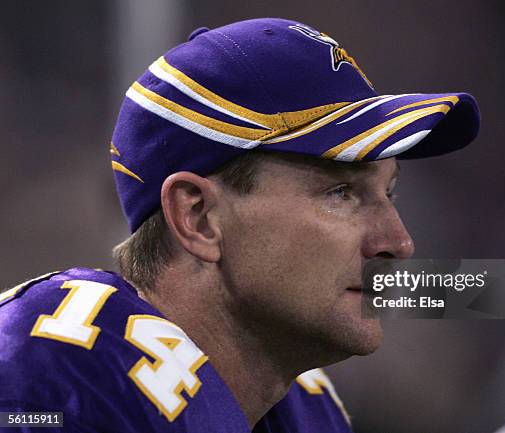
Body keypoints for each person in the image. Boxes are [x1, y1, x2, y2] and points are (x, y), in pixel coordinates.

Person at [0, 17, 479, 432]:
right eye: (340, 193)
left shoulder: (303, 406)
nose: (398, 242)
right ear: (198, 218)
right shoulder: (55, 388)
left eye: (388, 192)